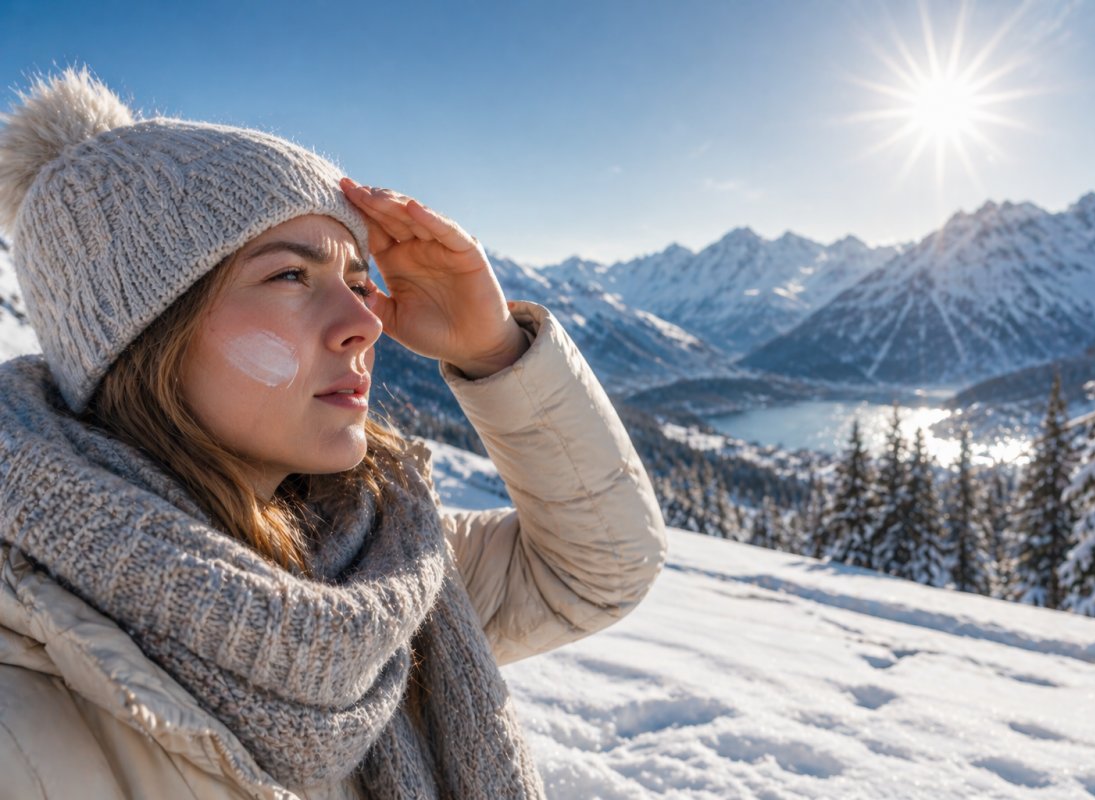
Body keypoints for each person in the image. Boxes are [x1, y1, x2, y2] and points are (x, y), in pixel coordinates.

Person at [0, 67, 667, 799]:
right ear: (143, 337)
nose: (365, 323)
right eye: (291, 275)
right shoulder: (27, 712)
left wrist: (494, 349)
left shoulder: (382, 564)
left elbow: (598, 568)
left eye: (356, 282)